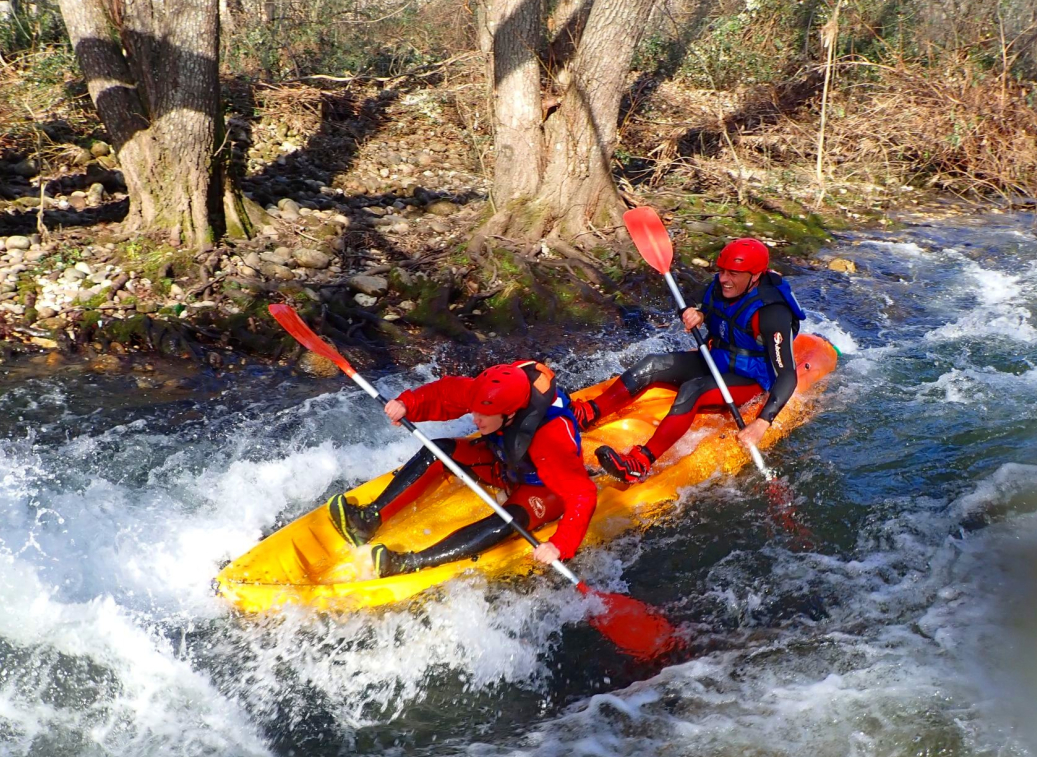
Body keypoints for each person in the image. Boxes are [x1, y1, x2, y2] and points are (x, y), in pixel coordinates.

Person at [327, 360, 597, 578]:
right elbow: (443, 394)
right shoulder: (488, 395)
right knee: (440, 448)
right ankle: (368, 519)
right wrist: (406, 404)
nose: (475, 418)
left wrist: (560, 543)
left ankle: (408, 563)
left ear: (511, 414)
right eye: (475, 411)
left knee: (507, 520)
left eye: (483, 415)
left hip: (542, 487)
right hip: (501, 463)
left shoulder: (550, 438)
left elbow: (583, 494)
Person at [574, 237, 806, 483]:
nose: (724, 279)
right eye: (722, 271)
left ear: (756, 275)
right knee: (652, 363)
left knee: (692, 389)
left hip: (750, 378)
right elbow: (703, 306)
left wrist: (762, 422)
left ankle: (640, 463)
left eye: (734, 274)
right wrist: (697, 313)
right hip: (716, 358)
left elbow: (787, 375)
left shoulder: (772, 312)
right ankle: (589, 412)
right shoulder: (720, 285)